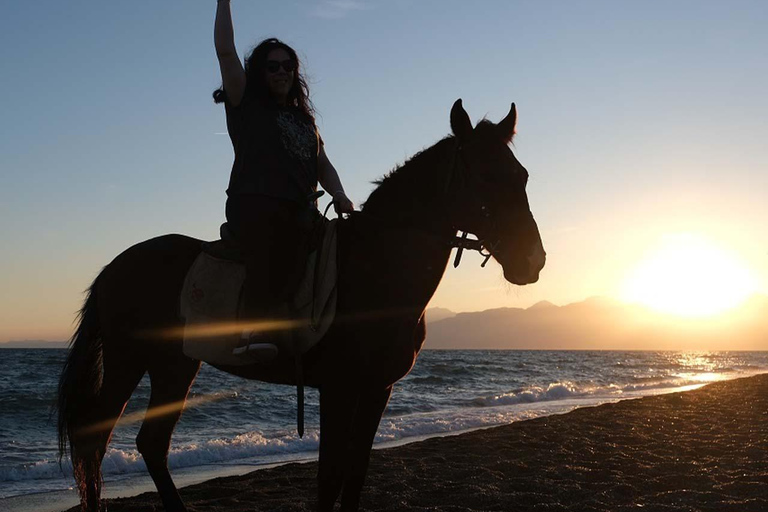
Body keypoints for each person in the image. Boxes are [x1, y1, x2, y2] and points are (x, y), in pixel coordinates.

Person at [213, 0, 354, 347]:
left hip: (301, 208)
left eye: (288, 66)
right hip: (256, 205)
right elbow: (226, 52)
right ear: (260, 72)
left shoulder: (305, 120)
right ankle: (252, 327)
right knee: (280, 239)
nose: (281, 72)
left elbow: (322, 164)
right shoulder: (246, 103)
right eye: (273, 66)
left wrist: (339, 194)